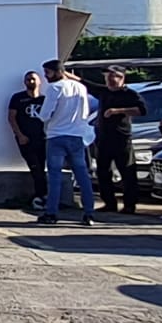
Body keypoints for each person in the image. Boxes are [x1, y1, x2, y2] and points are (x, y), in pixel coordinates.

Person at [36, 58, 97, 227]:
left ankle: (51, 212)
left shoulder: (54, 88)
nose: (46, 76)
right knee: (82, 175)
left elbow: (45, 114)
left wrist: (44, 117)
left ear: (58, 72)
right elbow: (85, 111)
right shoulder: (80, 87)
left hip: (56, 135)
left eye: (48, 73)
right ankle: (89, 212)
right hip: (77, 135)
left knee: (54, 176)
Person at [95, 68, 147, 216]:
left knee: (127, 172)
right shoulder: (103, 92)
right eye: (108, 77)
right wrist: (64, 73)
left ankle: (129, 205)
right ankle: (109, 203)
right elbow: (84, 82)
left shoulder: (130, 94)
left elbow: (142, 110)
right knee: (103, 171)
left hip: (121, 138)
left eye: (114, 77)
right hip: (103, 138)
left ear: (122, 78)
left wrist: (118, 111)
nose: (110, 80)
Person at [8, 70, 48, 213]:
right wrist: (19, 135)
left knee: (41, 168)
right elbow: (11, 117)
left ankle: (42, 196)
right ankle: (40, 196)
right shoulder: (18, 98)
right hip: (26, 139)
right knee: (35, 167)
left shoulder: (44, 99)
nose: (31, 82)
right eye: (28, 79)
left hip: (42, 139)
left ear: (39, 81)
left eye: (33, 79)